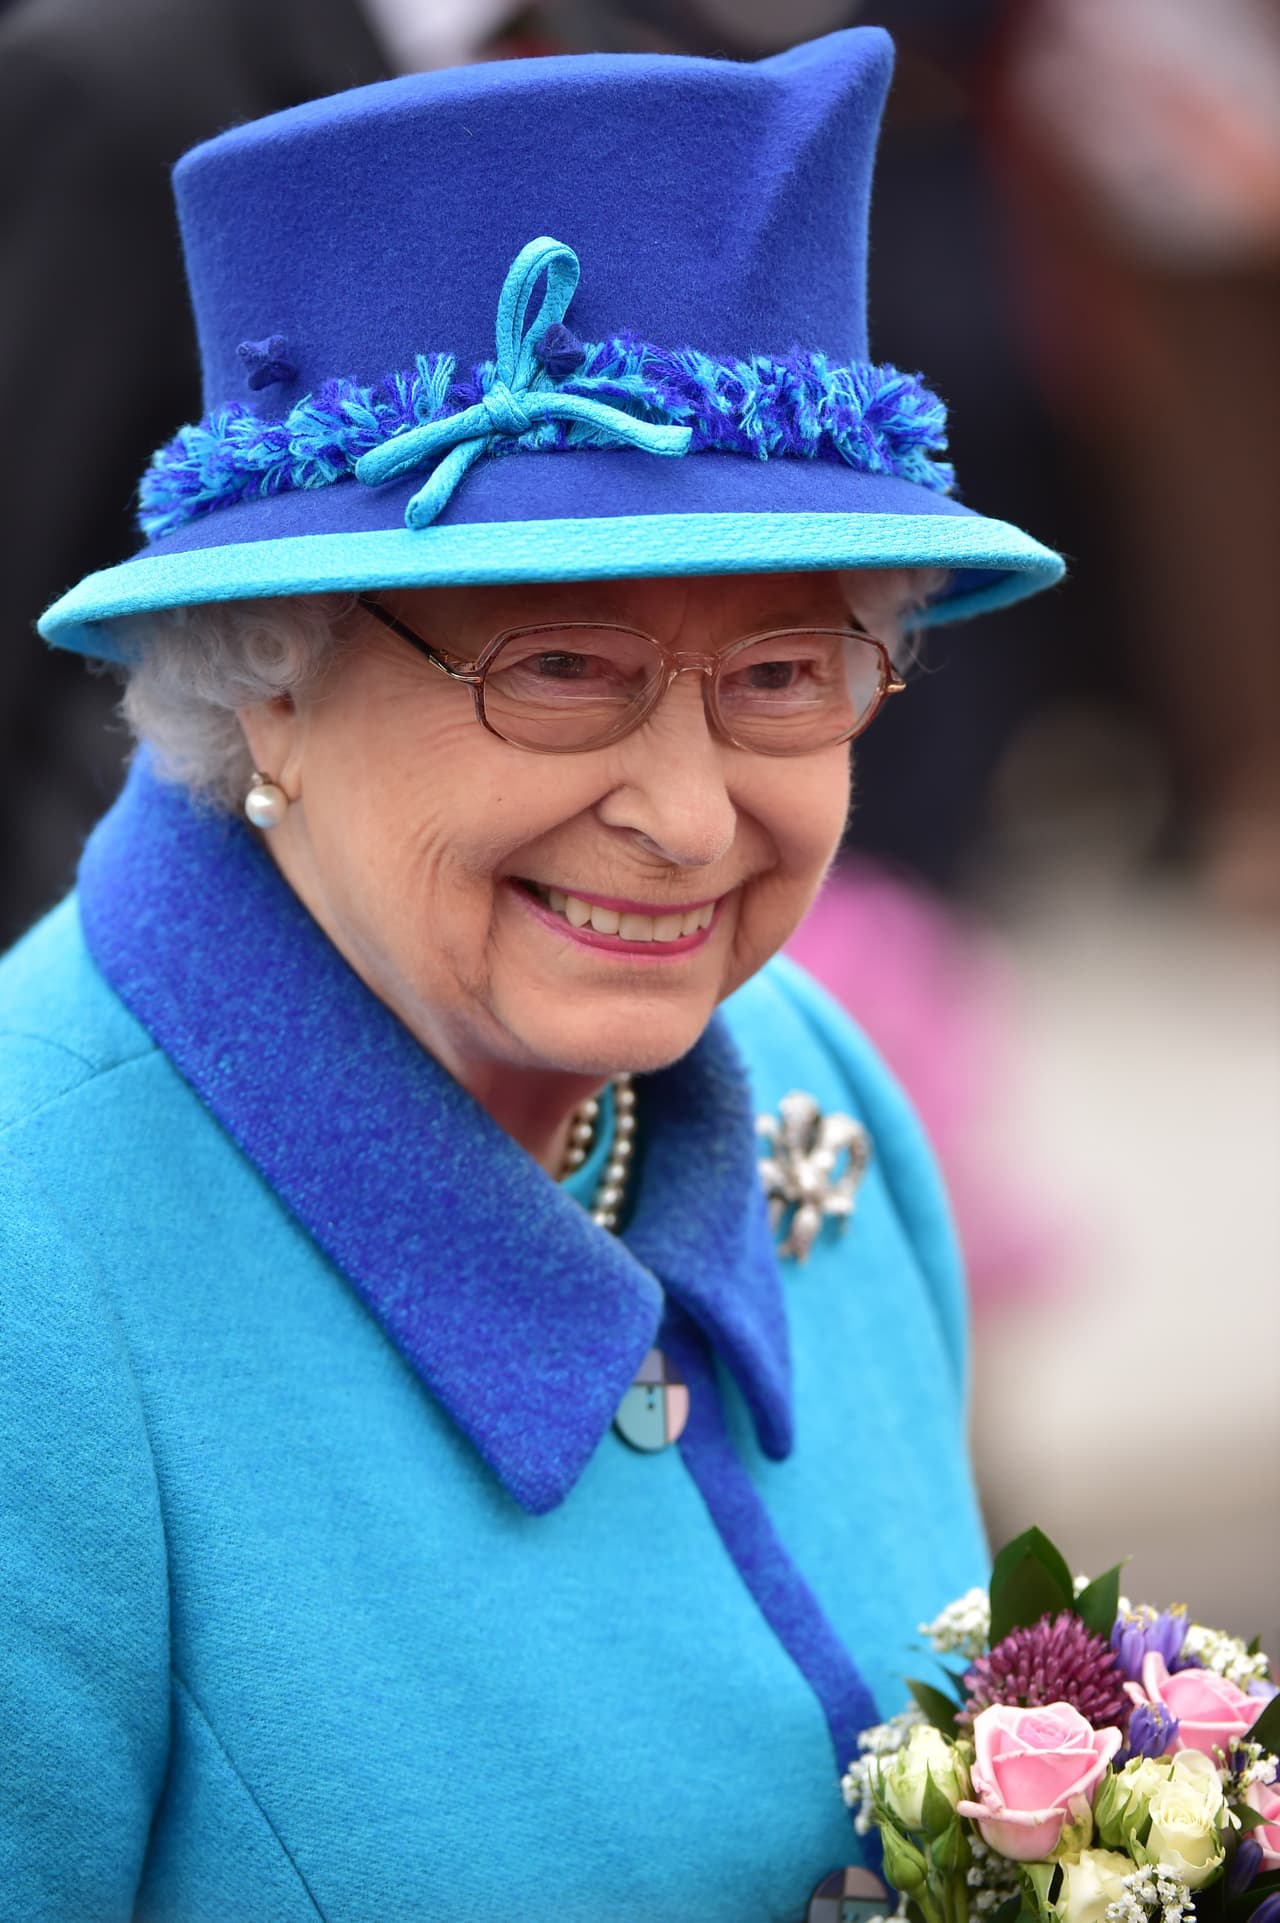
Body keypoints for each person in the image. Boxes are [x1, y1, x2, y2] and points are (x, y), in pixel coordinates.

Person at [0, 29, 1062, 1923]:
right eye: (557, 667)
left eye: (787, 670)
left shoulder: (816, 1077)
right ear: (269, 682)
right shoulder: (37, 1266)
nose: (685, 815)